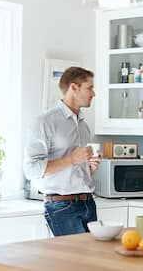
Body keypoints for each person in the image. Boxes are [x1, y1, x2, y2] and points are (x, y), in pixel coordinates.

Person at [23, 66, 101, 236]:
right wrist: (72, 159)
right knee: (75, 262)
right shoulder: (45, 122)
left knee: (92, 261)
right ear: (74, 88)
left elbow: (74, 170)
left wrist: (89, 169)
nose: (93, 93)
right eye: (90, 88)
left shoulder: (83, 125)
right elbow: (31, 169)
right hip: (62, 206)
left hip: (88, 203)